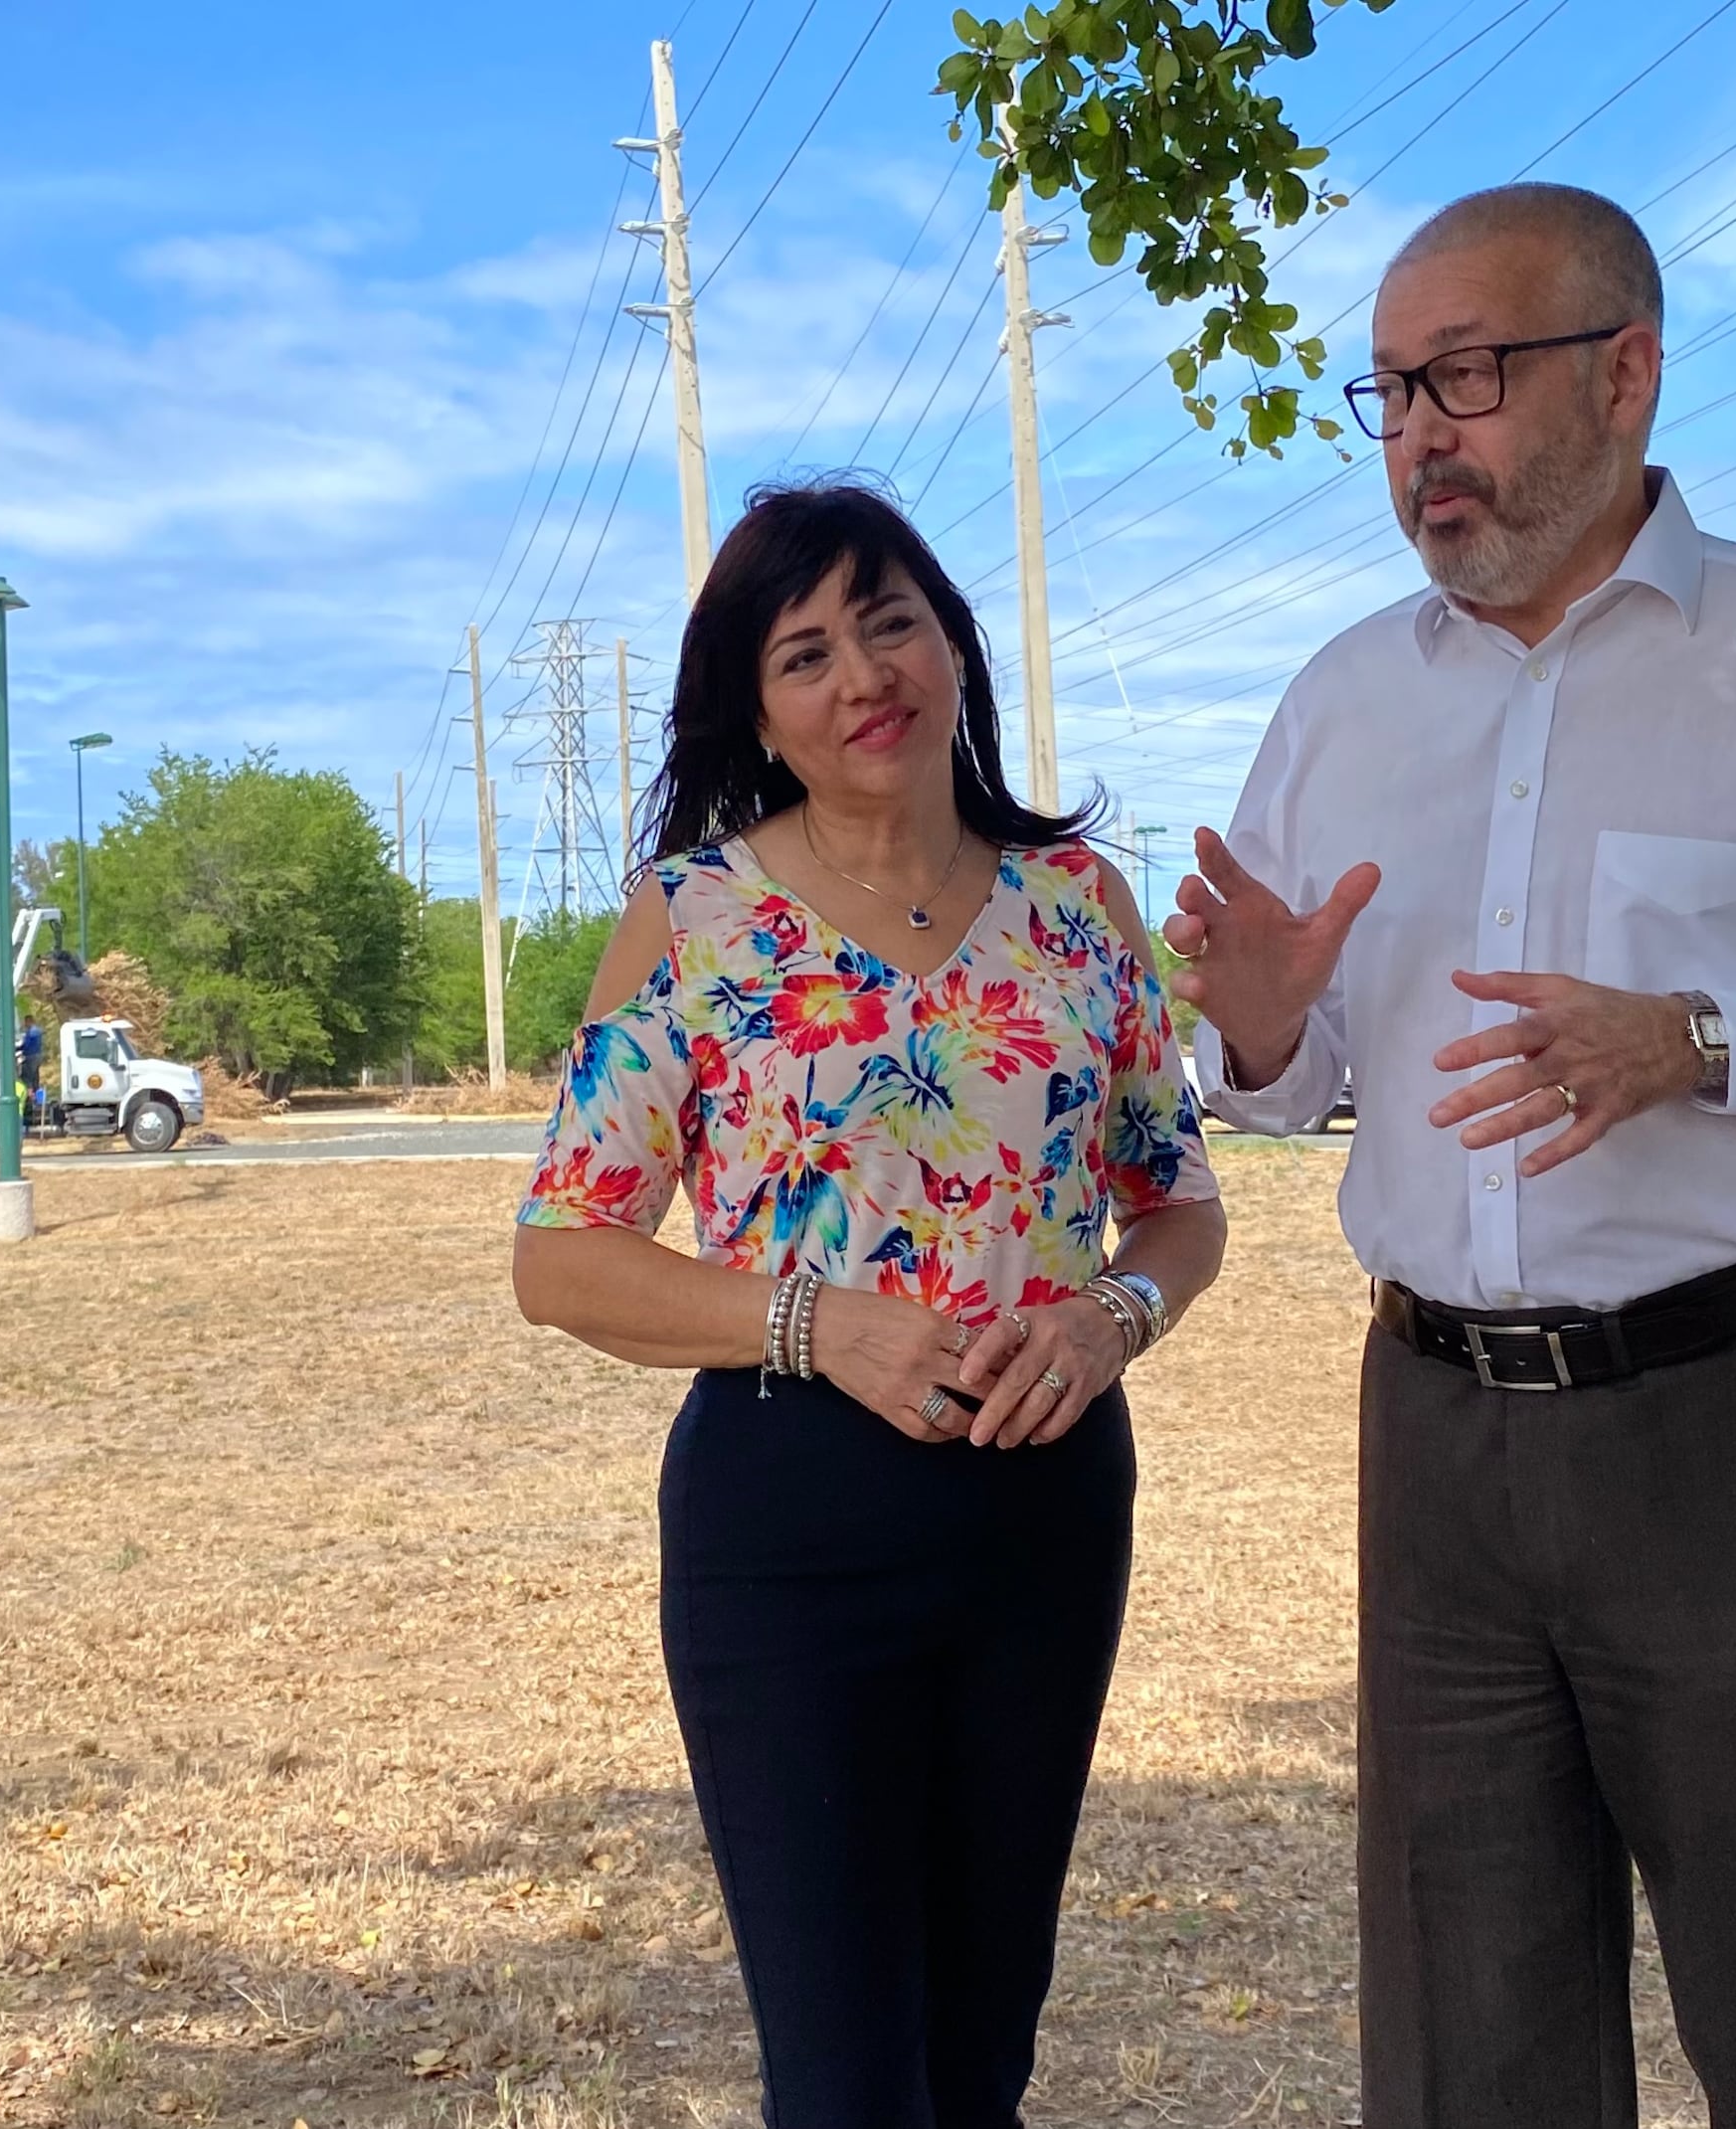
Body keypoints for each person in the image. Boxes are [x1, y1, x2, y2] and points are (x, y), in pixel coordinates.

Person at [1162, 184, 1736, 2129]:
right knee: (1463, 2038)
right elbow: (1275, 1075)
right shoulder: (1341, 697)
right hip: (1432, 1436)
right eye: (1391, 390)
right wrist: (1255, 1022)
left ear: (1624, 369)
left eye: (1466, 376)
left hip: (1731, 1423)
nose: (1420, 430)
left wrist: (1704, 1041)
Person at [513, 478, 1227, 2127]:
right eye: (806, 651)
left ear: (954, 645)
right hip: (791, 1528)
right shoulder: (693, 920)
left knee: (982, 2054)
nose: (862, 676)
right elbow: (561, 1255)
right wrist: (817, 1321)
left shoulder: (1079, 906)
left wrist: (1110, 1316)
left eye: (889, 620)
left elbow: (1176, 1207)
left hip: (1046, 1513)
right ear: (756, 710)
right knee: (844, 2080)